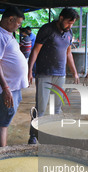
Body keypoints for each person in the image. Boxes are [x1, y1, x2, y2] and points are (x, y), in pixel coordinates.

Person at [27, 7, 80, 144]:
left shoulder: (69, 33)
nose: (70, 26)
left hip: (60, 74)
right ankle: (33, 135)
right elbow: (35, 50)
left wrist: (74, 72)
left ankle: (53, 134)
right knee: (41, 108)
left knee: (57, 107)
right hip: (44, 74)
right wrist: (30, 70)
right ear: (61, 18)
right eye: (69, 22)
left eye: (73, 23)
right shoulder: (47, 29)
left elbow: (68, 53)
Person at [0, 6, 28, 147]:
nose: (19, 26)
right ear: (10, 19)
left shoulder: (6, 33)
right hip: (6, 86)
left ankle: (2, 149)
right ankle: (1, 152)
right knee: (3, 122)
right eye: (18, 23)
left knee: (7, 118)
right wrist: (5, 88)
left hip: (13, 85)